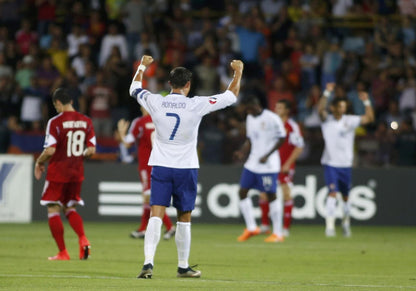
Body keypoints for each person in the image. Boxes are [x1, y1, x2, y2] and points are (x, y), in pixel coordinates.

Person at [130, 55, 243, 279]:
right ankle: (182, 266)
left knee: (155, 214)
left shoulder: (156, 101)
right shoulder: (196, 104)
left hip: (161, 165)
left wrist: (143, 65)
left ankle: (148, 263)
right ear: (188, 85)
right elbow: (231, 96)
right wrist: (238, 72)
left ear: (169, 84)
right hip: (186, 167)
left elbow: (134, 87)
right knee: (184, 216)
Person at [34, 88, 96, 260]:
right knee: (70, 207)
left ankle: (63, 252)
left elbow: (50, 150)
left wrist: (39, 161)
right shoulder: (86, 121)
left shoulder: (55, 122)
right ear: (72, 102)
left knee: (53, 209)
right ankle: (83, 239)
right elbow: (91, 150)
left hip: (58, 172)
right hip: (76, 173)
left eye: (56, 106)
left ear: (58, 103)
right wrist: (77, 156)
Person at [318, 82, 374, 237]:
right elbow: (320, 109)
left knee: (346, 197)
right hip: (330, 163)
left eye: (344, 106)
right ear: (334, 107)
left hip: (346, 164)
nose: (343, 109)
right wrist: (327, 93)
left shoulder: (350, 120)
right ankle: (329, 226)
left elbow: (369, 118)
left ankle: (346, 222)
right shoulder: (327, 120)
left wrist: (367, 101)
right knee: (332, 193)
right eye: (340, 106)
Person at [117, 107, 176, 240]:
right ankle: (148, 228)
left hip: (146, 165)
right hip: (161, 163)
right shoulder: (162, 120)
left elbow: (127, 143)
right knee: (149, 197)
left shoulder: (140, 122)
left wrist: (121, 134)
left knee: (149, 198)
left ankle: (166, 227)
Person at [234, 96, 286, 243]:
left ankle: (278, 233)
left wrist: (267, 155)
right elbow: (250, 139)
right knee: (242, 192)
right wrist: (242, 152)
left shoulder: (272, 118)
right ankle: (251, 227)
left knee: (271, 195)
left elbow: (282, 138)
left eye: (249, 109)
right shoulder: (250, 118)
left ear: (256, 106)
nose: (248, 112)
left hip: (269, 165)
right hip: (253, 163)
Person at [259, 99, 304, 237]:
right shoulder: (272, 124)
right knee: (263, 193)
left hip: (284, 165)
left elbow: (299, 147)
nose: (276, 109)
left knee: (286, 194)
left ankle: (285, 228)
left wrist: (288, 163)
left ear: (287, 110)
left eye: (280, 108)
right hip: (270, 165)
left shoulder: (292, 126)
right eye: (276, 107)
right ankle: (265, 225)